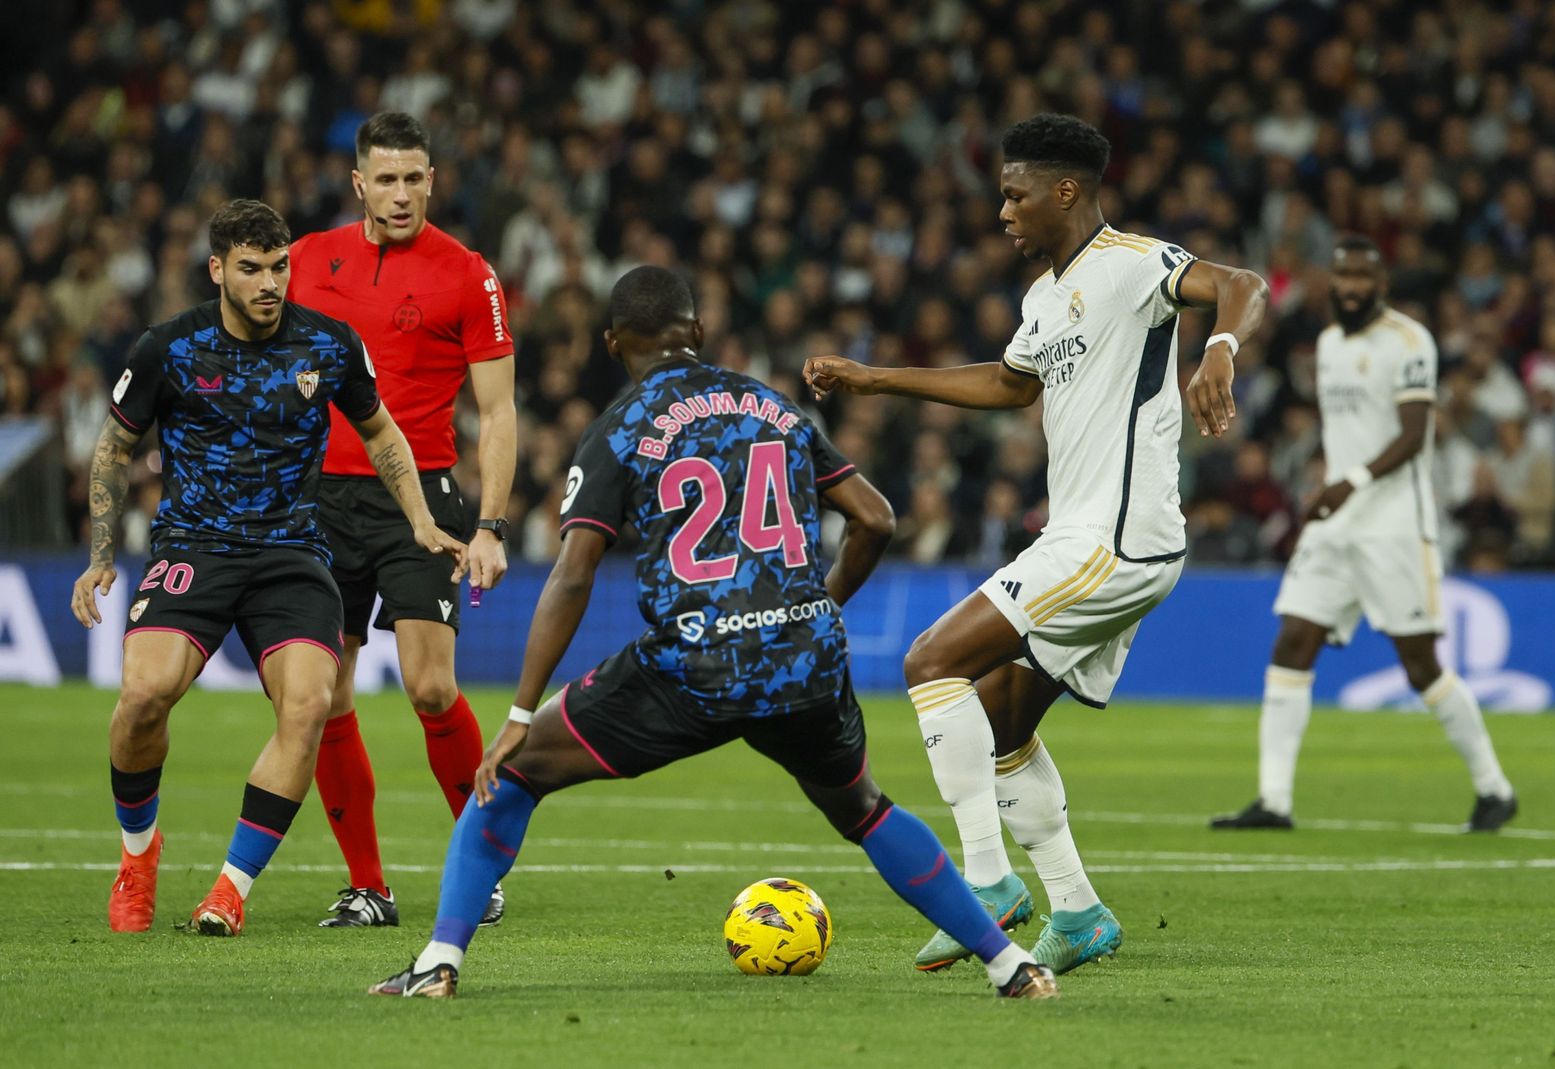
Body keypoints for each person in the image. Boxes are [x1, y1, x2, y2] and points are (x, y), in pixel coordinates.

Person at [369, 265, 1057, 1000]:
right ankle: (1012, 965)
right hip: (803, 659)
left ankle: (438, 963)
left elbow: (572, 574)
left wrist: (516, 713)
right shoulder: (775, 407)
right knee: (863, 807)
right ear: (697, 331)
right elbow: (877, 518)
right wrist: (820, 606)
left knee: (514, 775)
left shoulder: (619, 428)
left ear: (612, 344)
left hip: (691, 666)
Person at [804, 113, 1269, 975]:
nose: (1004, 212)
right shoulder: (1043, 298)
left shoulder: (1132, 263)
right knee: (1000, 718)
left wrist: (1220, 350)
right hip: (1094, 537)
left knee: (930, 662)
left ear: (1066, 190)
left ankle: (985, 884)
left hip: (1114, 538)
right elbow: (1009, 383)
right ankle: (1079, 908)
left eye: (1016, 196)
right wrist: (875, 378)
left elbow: (1242, 281)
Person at [71, 199, 466, 937]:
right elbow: (114, 447)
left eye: (279, 267)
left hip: (292, 553)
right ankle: (138, 855)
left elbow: (382, 433)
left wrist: (418, 518)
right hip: (194, 547)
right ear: (217, 270)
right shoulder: (169, 347)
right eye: (251, 269)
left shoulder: (329, 344)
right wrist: (100, 556)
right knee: (143, 697)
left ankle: (230, 889)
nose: (269, 283)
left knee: (310, 706)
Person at [285, 112, 518, 928]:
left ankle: (480, 862)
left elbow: (498, 411)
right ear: (358, 183)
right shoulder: (306, 259)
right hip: (321, 501)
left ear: (432, 182)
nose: (400, 193)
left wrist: (492, 523)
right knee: (326, 694)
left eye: (414, 178)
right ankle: (367, 885)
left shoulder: (468, 275)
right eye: (385, 179)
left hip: (423, 500)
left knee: (430, 686)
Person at [1211, 236, 1517, 832]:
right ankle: (1274, 800)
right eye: (1342, 277)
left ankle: (1494, 789)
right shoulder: (1329, 344)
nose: (1350, 288)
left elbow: (1414, 434)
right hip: (1336, 525)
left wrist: (1349, 480)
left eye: (1361, 278)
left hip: (1393, 526)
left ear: (1381, 285)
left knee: (1420, 665)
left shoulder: (1410, 341)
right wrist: (1330, 484)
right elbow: (1348, 433)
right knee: (1292, 642)